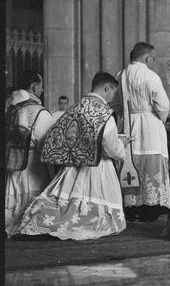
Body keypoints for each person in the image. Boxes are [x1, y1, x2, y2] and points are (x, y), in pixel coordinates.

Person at [14, 73, 128, 240]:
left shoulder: (75, 107)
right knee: (107, 221)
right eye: (113, 92)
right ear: (106, 88)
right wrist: (121, 145)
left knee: (65, 203)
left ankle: (41, 220)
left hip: (72, 169)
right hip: (98, 170)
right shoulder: (104, 112)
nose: (113, 96)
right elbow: (109, 144)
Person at [117, 41, 170, 222]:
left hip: (128, 123)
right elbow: (163, 105)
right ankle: (151, 208)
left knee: (131, 162)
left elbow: (116, 104)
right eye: (152, 57)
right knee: (151, 162)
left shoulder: (121, 76)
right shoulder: (150, 76)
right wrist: (159, 120)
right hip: (149, 125)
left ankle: (131, 208)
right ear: (147, 57)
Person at [5, 70, 53, 236]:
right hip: (33, 168)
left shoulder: (9, 108)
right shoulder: (40, 112)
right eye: (41, 87)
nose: (42, 91)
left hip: (11, 166)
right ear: (33, 87)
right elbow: (47, 148)